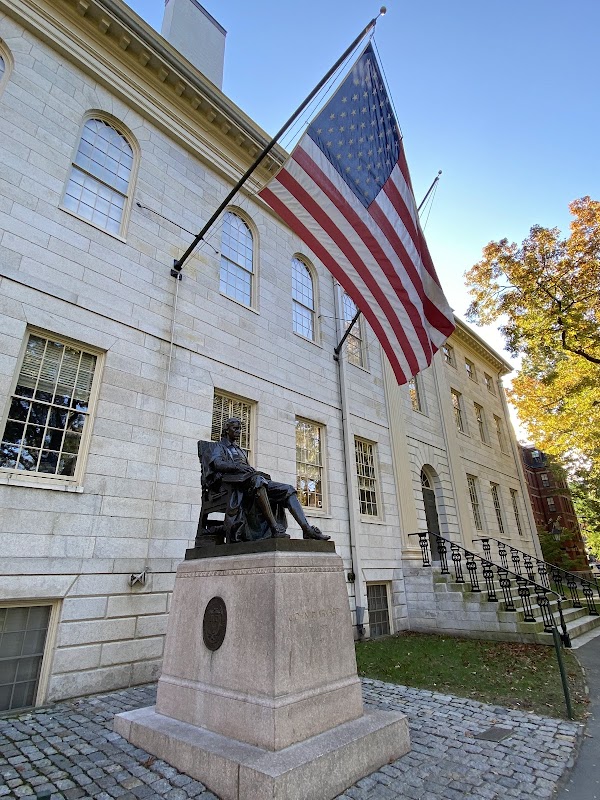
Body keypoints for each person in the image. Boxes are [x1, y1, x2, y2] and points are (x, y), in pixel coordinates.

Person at [203, 417, 330, 544]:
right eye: (235, 428)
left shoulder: (239, 450)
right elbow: (218, 464)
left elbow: (247, 470)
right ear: (226, 430)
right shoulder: (218, 447)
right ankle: (275, 528)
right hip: (233, 485)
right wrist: (239, 467)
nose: (239, 431)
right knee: (258, 481)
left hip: (248, 481)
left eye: (240, 429)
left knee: (288, 489)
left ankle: (306, 529)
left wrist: (249, 471)